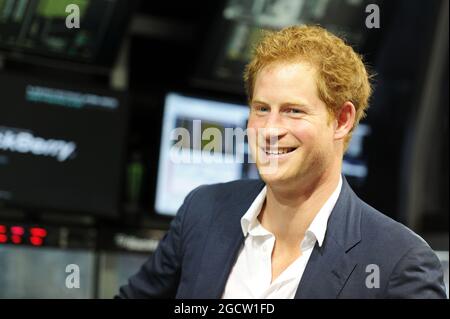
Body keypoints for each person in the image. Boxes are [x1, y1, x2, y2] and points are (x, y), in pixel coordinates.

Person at [118, 25, 447, 298]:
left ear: (343, 120)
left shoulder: (398, 261)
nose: (270, 130)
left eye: (293, 111)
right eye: (262, 109)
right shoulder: (203, 211)